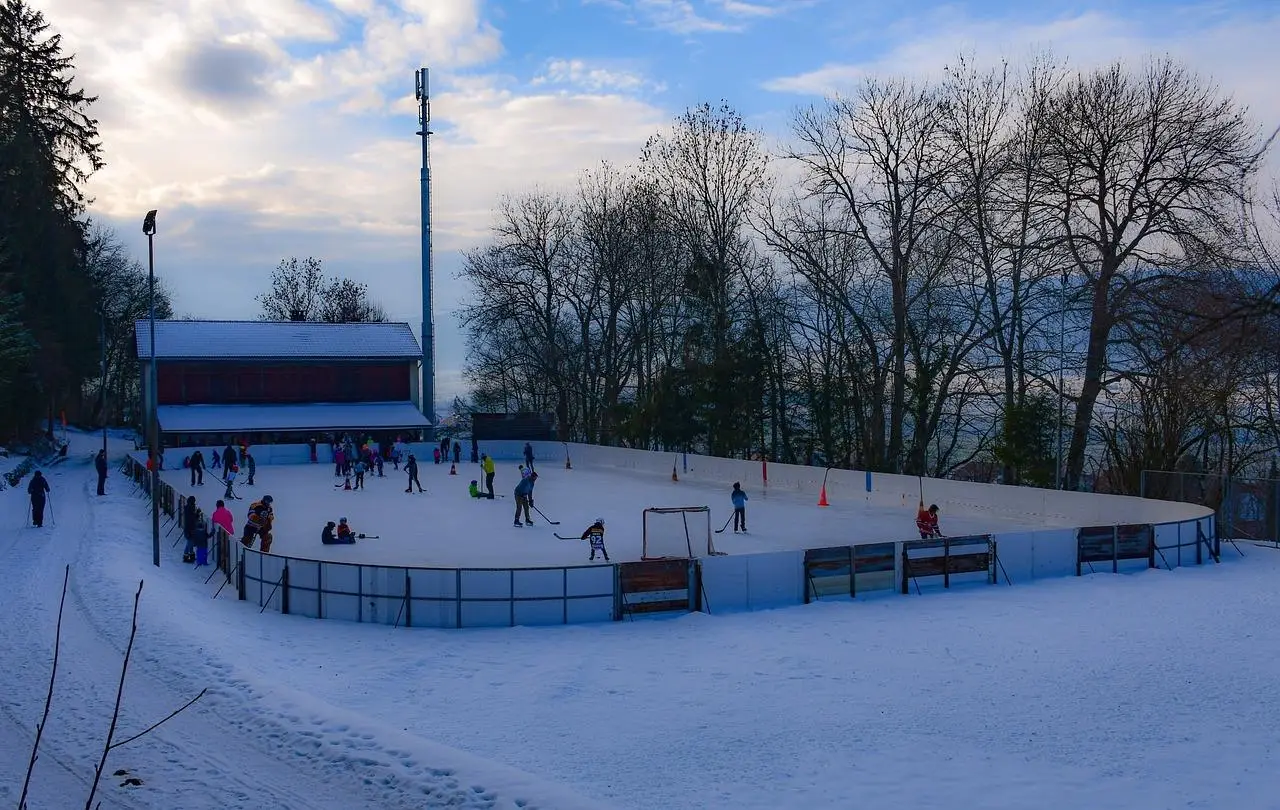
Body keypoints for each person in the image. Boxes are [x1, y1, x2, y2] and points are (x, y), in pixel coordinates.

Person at [182, 495, 199, 563]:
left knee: (190, 543)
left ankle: (189, 555)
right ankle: (187, 556)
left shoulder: (188, 508)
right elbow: (192, 519)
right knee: (190, 543)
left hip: (188, 528)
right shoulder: (191, 508)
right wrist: (197, 514)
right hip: (190, 529)